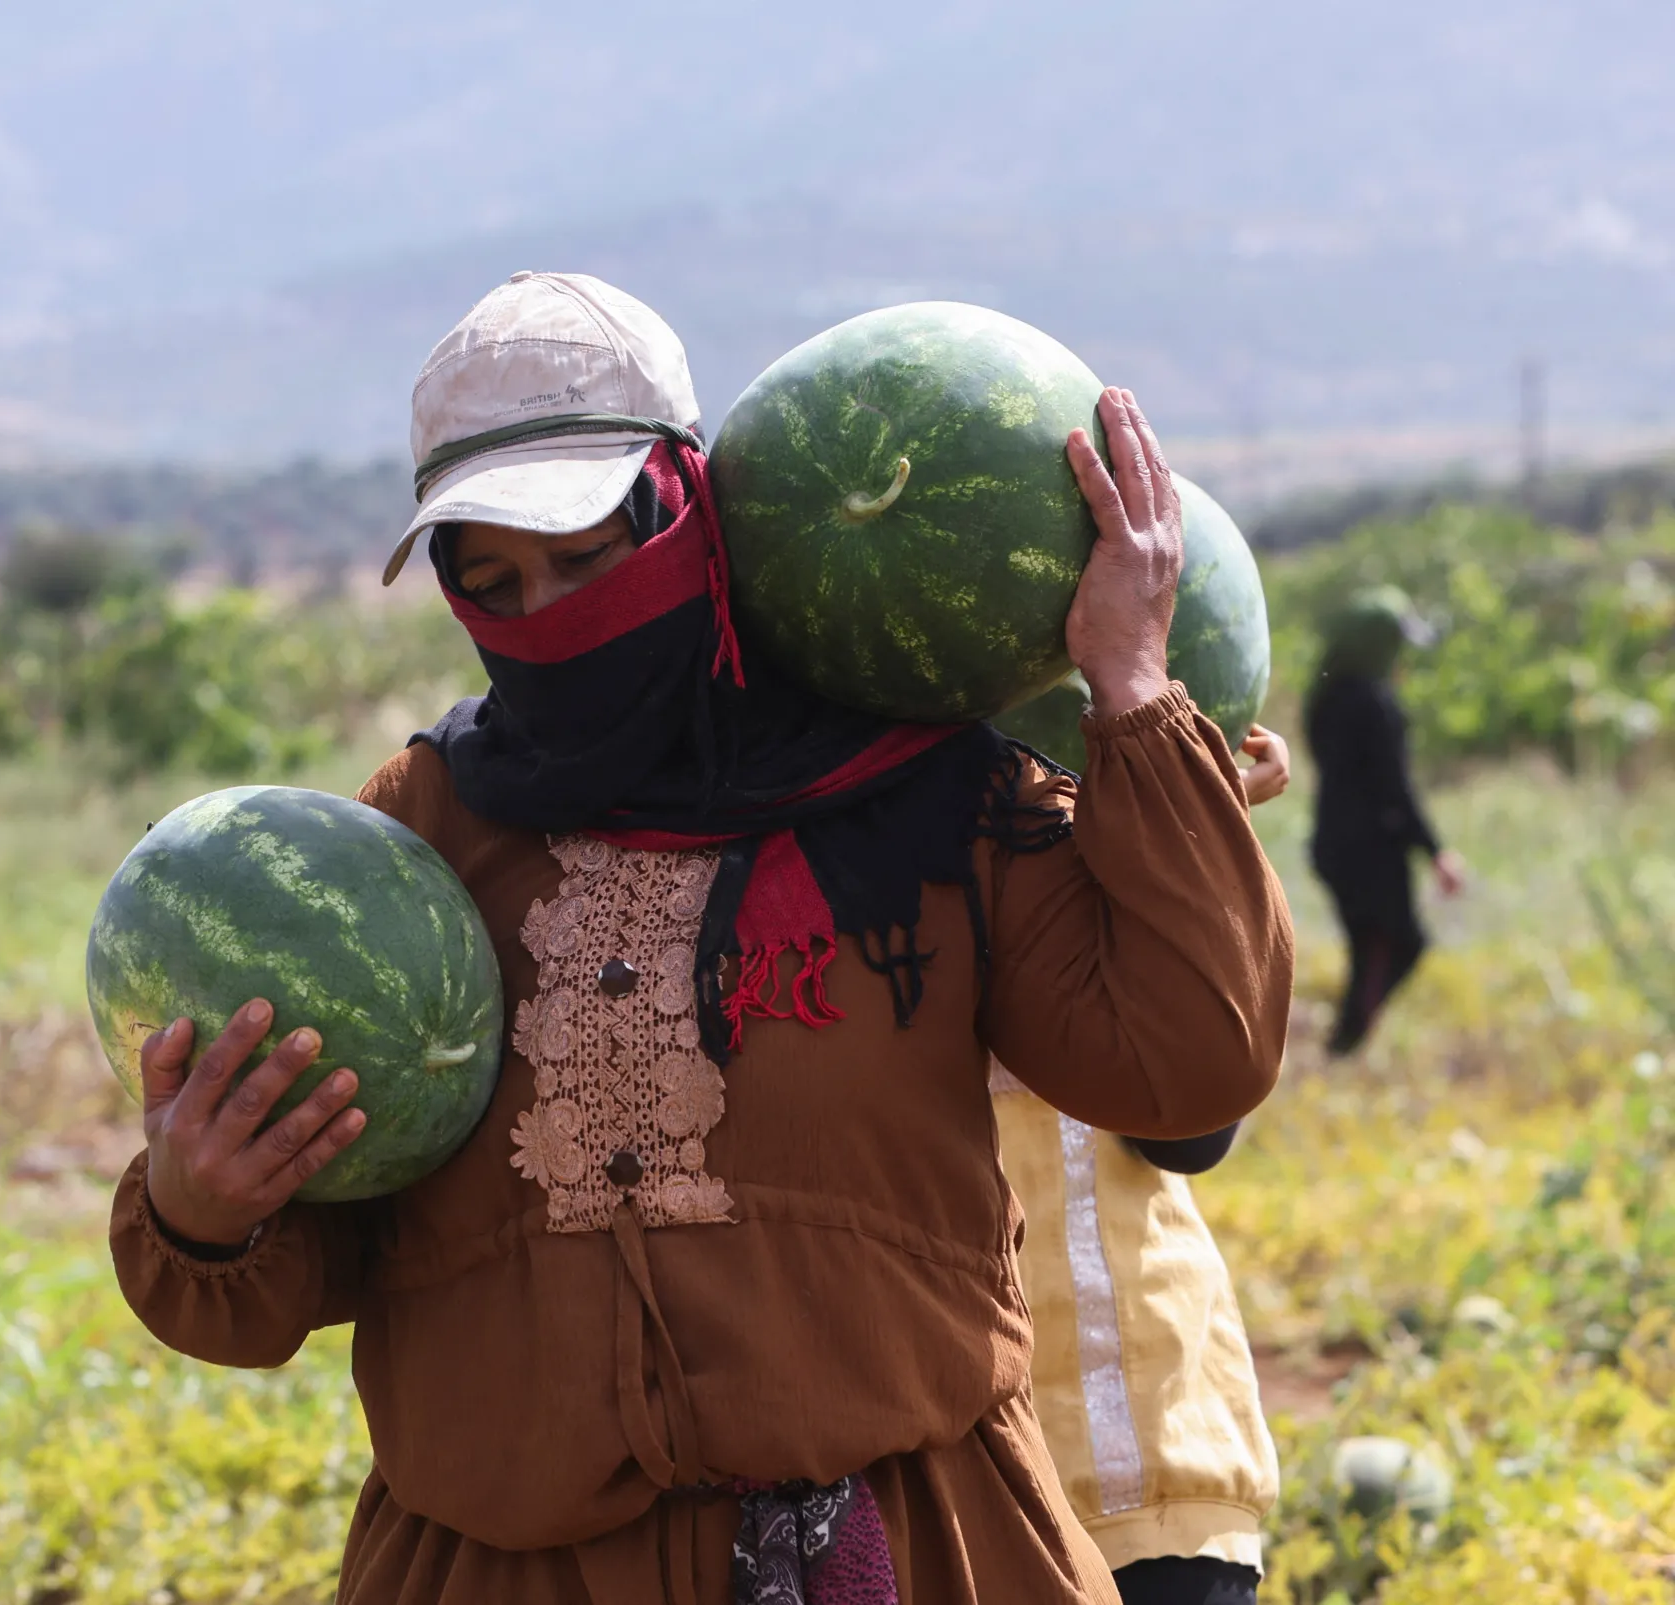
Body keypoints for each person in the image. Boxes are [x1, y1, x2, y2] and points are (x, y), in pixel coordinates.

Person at [110, 271, 1294, 1604]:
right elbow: (313, 1256)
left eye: (586, 556)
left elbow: (1194, 1066)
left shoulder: (928, 796)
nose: (550, 612)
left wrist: (1134, 690)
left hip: (904, 1552)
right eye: (494, 577)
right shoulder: (428, 831)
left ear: (687, 513)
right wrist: (203, 1212)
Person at [992, 726, 1293, 1605]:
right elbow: (1194, 1131)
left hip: (1120, 1471)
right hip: (1141, 1450)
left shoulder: (881, 879)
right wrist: (1192, 833)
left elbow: (1192, 1127)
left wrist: (1205, 834)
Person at [1304, 587, 1465, 1055]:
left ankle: (1345, 1043)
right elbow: (1395, 790)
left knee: (1368, 948)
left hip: (1333, 845)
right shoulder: (1376, 704)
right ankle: (1345, 1046)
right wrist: (1437, 853)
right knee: (1399, 945)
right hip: (1371, 853)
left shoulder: (1325, 697)